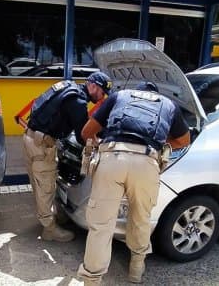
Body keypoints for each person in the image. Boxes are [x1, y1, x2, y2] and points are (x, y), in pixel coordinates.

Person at [77, 81, 190, 285]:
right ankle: (136, 268)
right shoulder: (169, 104)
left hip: (112, 157)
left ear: (136, 91)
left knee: (101, 225)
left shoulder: (119, 96)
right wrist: (160, 146)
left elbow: (86, 132)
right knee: (140, 217)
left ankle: (92, 280)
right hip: (146, 164)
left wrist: (98, 141)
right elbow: (184, 140)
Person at [23, 72, 112, 242]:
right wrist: (99, 138)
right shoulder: (78, 101)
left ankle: (50, 216)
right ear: (93, 85)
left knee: (39, 184)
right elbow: (82, 135)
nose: (101, 98)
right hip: (42, 145)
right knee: (45, 187)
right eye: (102, 93)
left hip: (30, 137)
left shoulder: (67, 86)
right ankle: (49, 229)